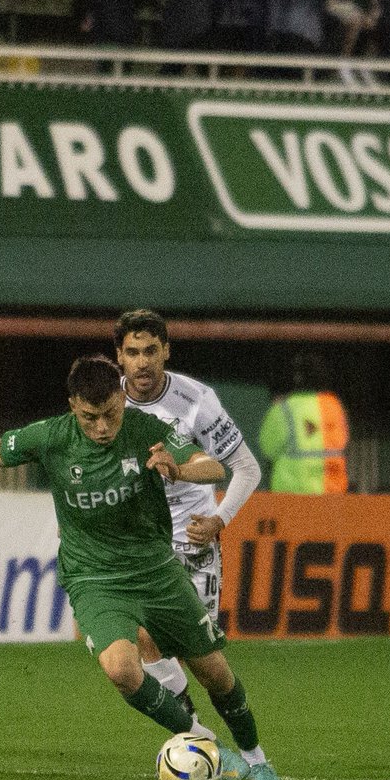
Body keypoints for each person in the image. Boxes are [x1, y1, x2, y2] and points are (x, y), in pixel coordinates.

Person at [0, 354, 281, 780]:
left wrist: (178, 468)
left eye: (110, 414)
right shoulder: (50, 437)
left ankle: (258, 760)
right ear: (73, 406)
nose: (103, 427)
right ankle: (207, 743)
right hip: (93, 579)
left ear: (123, 399)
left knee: (214, 672)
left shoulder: (148, 432)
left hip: (156, 570)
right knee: (122, 670)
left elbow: (215, 466)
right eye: (90, 418)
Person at [114, 308, 262, 718]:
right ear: (119, 357)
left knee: (207, 667)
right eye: (132, 352)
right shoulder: (106, 402)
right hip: (140, 546)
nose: (142, 362)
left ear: (166, 352)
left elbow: (247, 468)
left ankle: (244, 746)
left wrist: (219, 519)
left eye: (150, 351)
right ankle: (198, 739)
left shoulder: (196, 400)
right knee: (146, 643)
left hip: (191, 543)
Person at [258, 352, 350, 493]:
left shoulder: (283, 408)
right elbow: (344, 441)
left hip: (292, 495)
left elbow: (267, 449)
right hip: (332, 495)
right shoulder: (334, 406)